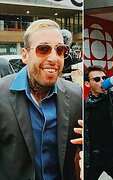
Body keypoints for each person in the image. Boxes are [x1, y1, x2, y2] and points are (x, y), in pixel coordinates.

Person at [0, 19, 82, 179]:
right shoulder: (1, 93)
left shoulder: (76, 95)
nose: (53, 58)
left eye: (60, 50)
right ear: (25, 55)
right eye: (43, 49)